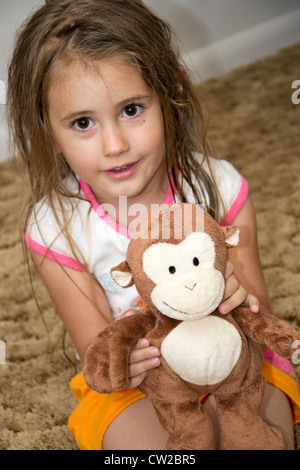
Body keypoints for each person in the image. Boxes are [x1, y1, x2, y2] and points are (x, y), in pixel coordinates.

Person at [7, 0, 299, 450]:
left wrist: (237, 292)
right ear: (49, 131)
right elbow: (96, 350)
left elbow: (258, 305)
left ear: (171, 92)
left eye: (131, 109)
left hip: (237, 356)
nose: (115, 144)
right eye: (82, 122)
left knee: (260, 438)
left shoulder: (220, 189)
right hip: (139, 384)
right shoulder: (53, 229)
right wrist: (135, 359)